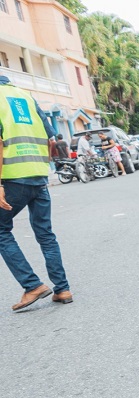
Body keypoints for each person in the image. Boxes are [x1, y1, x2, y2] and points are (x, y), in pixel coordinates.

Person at [0, 76, 72, 310]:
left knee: (1, 231)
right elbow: (51, 139)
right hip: (39, 175)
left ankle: (32, 285)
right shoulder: (26, 96)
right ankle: (62, 289)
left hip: (12, 176)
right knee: (45, 233)